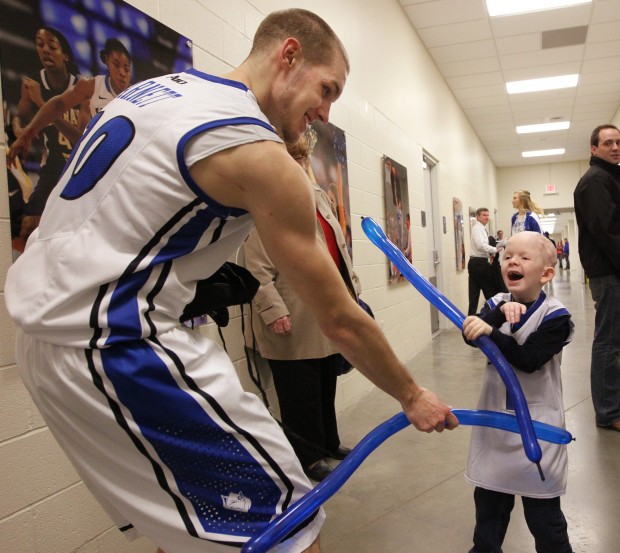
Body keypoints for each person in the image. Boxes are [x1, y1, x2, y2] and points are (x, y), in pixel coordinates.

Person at [5, 9, 458, 553]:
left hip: (43, 342)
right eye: (327, 88)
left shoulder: (153, 93)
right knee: (287, 526)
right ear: (288, 55)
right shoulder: (260, 154)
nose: (325, 111)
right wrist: (410, 395)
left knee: (189, 528)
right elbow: (337, 317)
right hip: (117, 347)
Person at [244, 132, 359, 482]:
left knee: (326, 382)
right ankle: (306, 456)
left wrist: (352, 291)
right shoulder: (265, 202)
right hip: (293, 313)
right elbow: (254, 268)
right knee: (299, 391)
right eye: (291, 160)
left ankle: (327, 443)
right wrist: (272, 310)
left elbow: (337, 250)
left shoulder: (318, 197)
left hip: (323, 312)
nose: (298, 166)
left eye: (301, 160)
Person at [462, 231, 574, 553]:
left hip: (537, 432)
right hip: (495, 430)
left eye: (524, 258)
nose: (513, 261)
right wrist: (496, 318)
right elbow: (471, 333)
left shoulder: (556, 318)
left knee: (546, 523)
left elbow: (528, 360)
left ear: (546, 274)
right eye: (509, 255)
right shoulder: (497, 303)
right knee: (488, 518)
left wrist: (493, 334)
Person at [11, 26, 81, 251]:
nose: (45, 51)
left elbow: (80, 136)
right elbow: (20, 120)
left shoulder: (81, 87)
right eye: (40, 45)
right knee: (28, 226)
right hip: (54, 162)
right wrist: (21, 131)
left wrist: (43, 104)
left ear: (65, 54)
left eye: (52, 46)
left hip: (79, 163)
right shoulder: (32, 83)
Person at [8, 38, 132, 162]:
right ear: (107, 61)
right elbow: (58, 105)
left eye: (126, 69)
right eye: (116, 65)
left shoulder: (136, 94)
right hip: (97, 160)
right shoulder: (91, 86)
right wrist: (27, 133)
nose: (122, 73)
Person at [574, 123, 620, 433]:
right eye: (608, 143)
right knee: (608, 343)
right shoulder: (595, 181)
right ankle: (608, 412)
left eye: (618, 142)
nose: (615, 147)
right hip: (609, 273)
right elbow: (609, 232)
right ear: (594, 149)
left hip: (612, 271)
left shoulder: (609, 177)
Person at [468, 207, 501, 315]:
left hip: (476, 263)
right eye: (484, 215)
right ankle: (494, 317)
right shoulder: (478, 228)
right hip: (479, 264)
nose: (487, 217)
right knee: (490, 291)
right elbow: (481, 245)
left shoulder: (481, 228)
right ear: (477, 217)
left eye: (487, 215)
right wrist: (495, 250)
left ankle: (471, 318)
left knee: (474, 293)